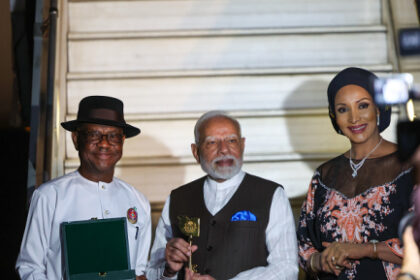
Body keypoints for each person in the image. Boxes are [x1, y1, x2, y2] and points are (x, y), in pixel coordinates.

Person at [146, 111, 298, 280]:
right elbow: (152, 272)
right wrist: (169, 270)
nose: (224, 150)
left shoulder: (271, 194)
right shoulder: (178, 198)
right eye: (211, 142)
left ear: (243, 145)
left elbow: (286, 267)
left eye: (231, 140)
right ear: (196, 152)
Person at [297, 67, 415, 279]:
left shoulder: (411, 166)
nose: (354, 118)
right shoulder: (323, 176)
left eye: (363, 106)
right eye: (343, 109)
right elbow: (304, 246)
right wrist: (319, 261)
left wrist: (365, 249)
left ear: (379, 109)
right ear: (334, 117)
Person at [16, 96, 151, 280]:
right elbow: (29, 266)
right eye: (94, 135)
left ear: (122, 142)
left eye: (113, 136)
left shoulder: (138, 202)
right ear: (76, 139)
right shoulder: (49, 196)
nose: (104, 143)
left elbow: (140, 269)